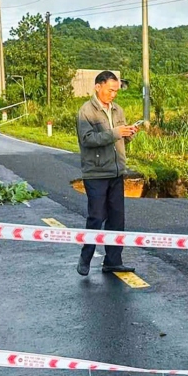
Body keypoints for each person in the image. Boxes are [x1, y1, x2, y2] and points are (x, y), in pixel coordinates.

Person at [75, 71, 139, 276]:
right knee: (96, 217)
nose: (114, 94)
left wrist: (128, 134)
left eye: (116, 91)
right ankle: (85, 258)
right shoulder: (86, 111)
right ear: (98, 86)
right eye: (111, 90)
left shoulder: (118, 110)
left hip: (116, 171)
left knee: (117, 218)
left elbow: (119, 139)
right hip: (96, 172)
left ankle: (113, 260)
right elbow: (87, 140)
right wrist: (115, 133)